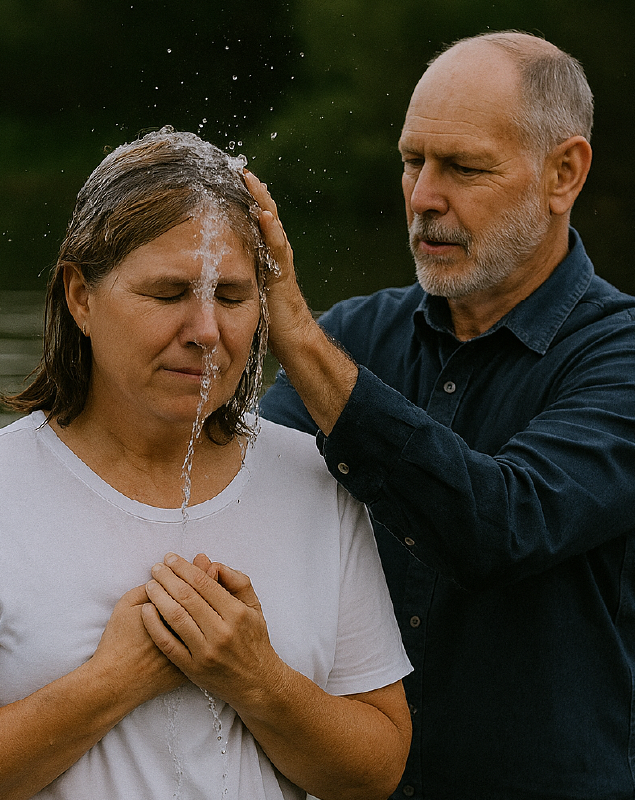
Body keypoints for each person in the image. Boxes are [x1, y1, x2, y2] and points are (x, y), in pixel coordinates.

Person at [0, 128, 412, 800]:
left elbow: (377, 768)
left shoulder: (318, 482)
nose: (206, 331)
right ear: (80, 298)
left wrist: (256, 677)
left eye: (232, 297)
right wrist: (112, 683)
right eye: (169, 293)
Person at [255, 31, 635, 800]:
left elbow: (501, 525)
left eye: (463, 168)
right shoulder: (356, 335)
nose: (424, 197)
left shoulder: (620, 354)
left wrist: (294, 338)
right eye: (411, 161)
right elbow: (239, 492)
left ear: (564, 173)